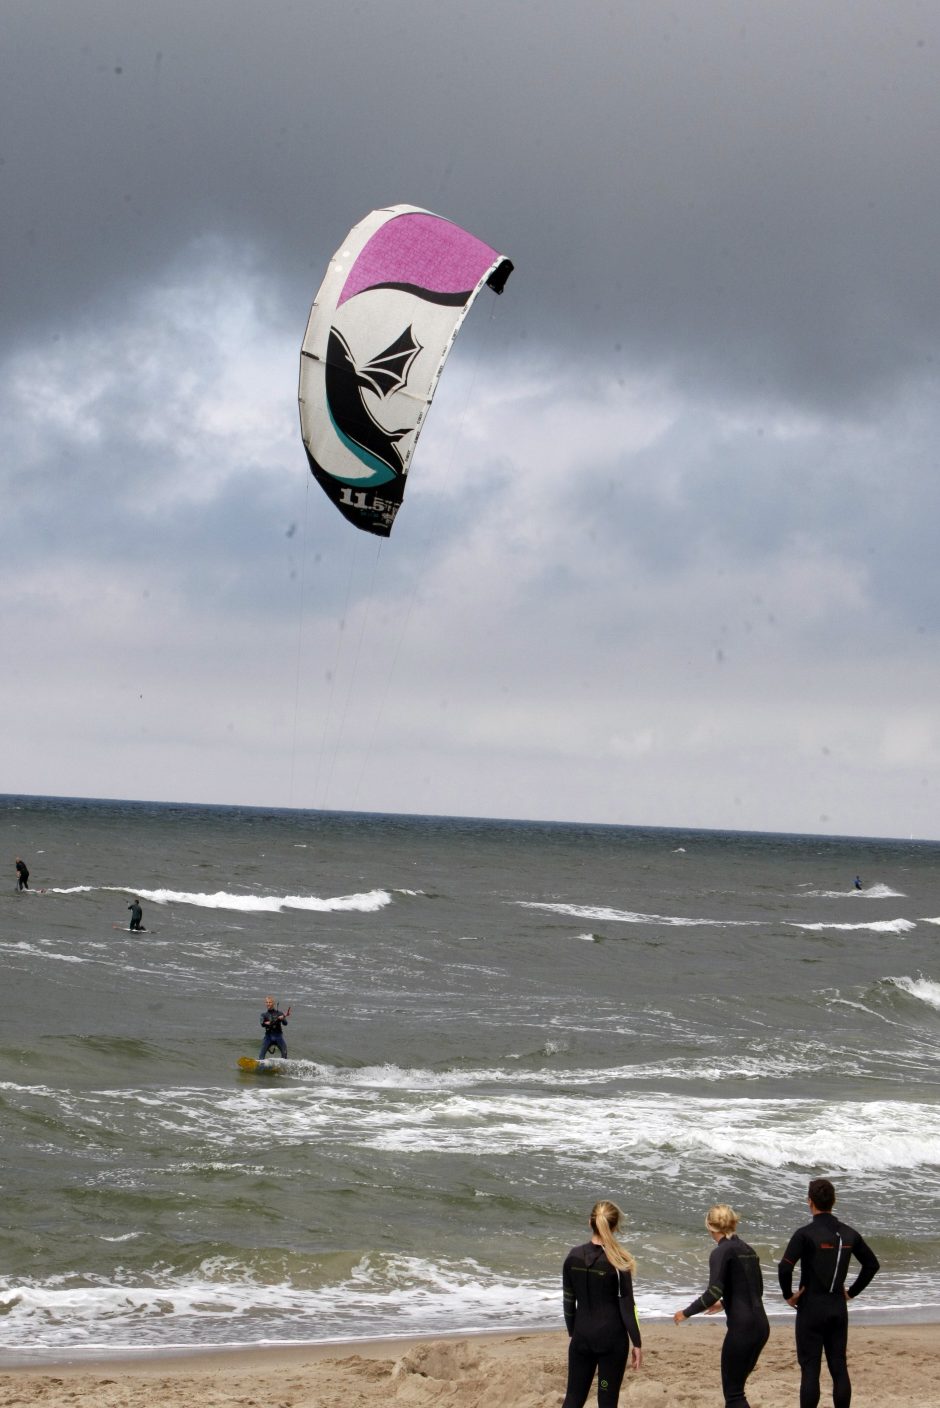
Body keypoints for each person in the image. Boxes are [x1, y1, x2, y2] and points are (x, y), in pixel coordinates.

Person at [777, 1178, 880, 1408]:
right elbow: (872, 1265)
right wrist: (851, 1292)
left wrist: (788, 1295)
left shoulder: (804, 1234)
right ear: (833, 1201)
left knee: (811, 1368)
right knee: (838, 1366)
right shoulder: (849, 1234)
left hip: (810, 1308)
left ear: (809, 1202)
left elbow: (785, 1266)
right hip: (837, 1308)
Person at [674, 1204, 769, 1408]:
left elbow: (712, 1292)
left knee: (734, 1395)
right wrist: (725, 1303)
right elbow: (756, 1290)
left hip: (743, 1330)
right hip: (761, 1327)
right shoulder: (748, 1250)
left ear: (709, 1226)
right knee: (737, 1390)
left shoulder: (721, 1252)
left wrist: (685, 1313)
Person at [561, 1199, 642, 1408]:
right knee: (606, 1397)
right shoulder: (619, 1261)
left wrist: (574, 1333)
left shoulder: (573, 1257)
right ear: (615, 1227)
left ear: (590, 1222)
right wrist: (637, 1342)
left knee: (573, 1398)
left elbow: (569, 1301)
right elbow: (628, 1305)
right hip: (611, 1344)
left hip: (582, 1340)